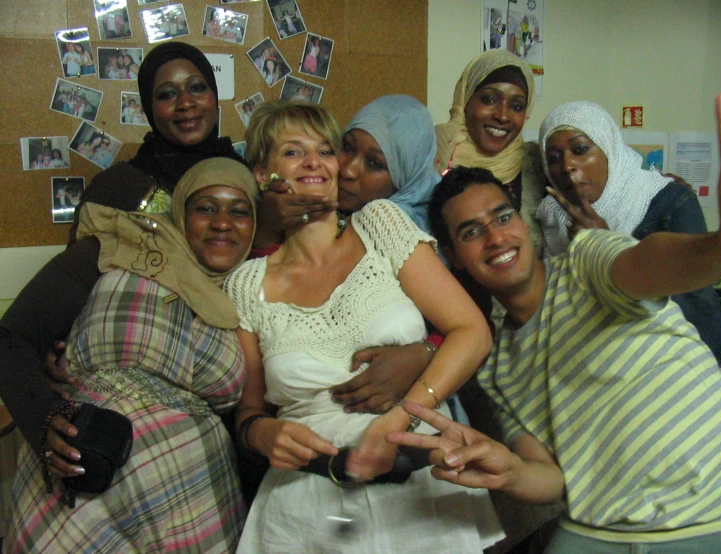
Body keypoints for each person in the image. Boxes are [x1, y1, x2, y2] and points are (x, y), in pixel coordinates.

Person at [393, 92, 721, 553]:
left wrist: (720, 250)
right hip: (606, 531)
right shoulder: (497, 369)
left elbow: (648, 263)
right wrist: (511, 471)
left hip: (718, 507)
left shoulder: (585, 259)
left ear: (522, 221)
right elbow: (550, 478)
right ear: (454, 258)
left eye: (502, 217)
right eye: (472, 232)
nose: (496, 237)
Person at [224, 101, 502, 552]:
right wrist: (262, 433)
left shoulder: (380, 224)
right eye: (294, 152)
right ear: (262, 173)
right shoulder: (245, 286)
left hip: (416, 484)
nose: (315, 162)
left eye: (325, 150)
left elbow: (472, 331)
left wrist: (401, 414)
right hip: (305, 507)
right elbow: (249, 411)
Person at [1, 157, 259, 552]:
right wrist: (44, 415)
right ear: (181, 212)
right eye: (205, 207)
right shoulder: (120, 249)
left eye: (239, 211)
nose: (222, 222)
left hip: (192, 494)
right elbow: (10, 338)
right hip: (82, 472)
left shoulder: (252, 292)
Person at [255, 95, 447, 418]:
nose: (348, 170)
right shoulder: (298, 227)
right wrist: (267, 229)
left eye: (374, 164)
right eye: (345, 148)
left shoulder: (402, 228)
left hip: (419, 412)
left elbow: (469, 327)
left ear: (404, 178)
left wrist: (426, 352)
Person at [536, 100, 721, 371]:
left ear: (610, 149)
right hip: (615, 374)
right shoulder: (551, 217)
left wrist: (606, 246)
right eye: (554, 158)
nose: (568, 165)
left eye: (581, 149)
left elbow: (697, 310)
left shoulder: (669, 201)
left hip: (692, 369)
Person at [68, 41, 245, 245]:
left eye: (197, 87)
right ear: (148, 108)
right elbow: (77, 273)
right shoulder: (114, 188)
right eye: (167, 94)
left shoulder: (244, 177)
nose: (186, 103)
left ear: (214, 95)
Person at [435, 49, 546, 258]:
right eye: (489, 100)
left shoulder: (537, 163)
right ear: (466, 100)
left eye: (516, 106)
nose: (503, 116)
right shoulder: (432, 152)